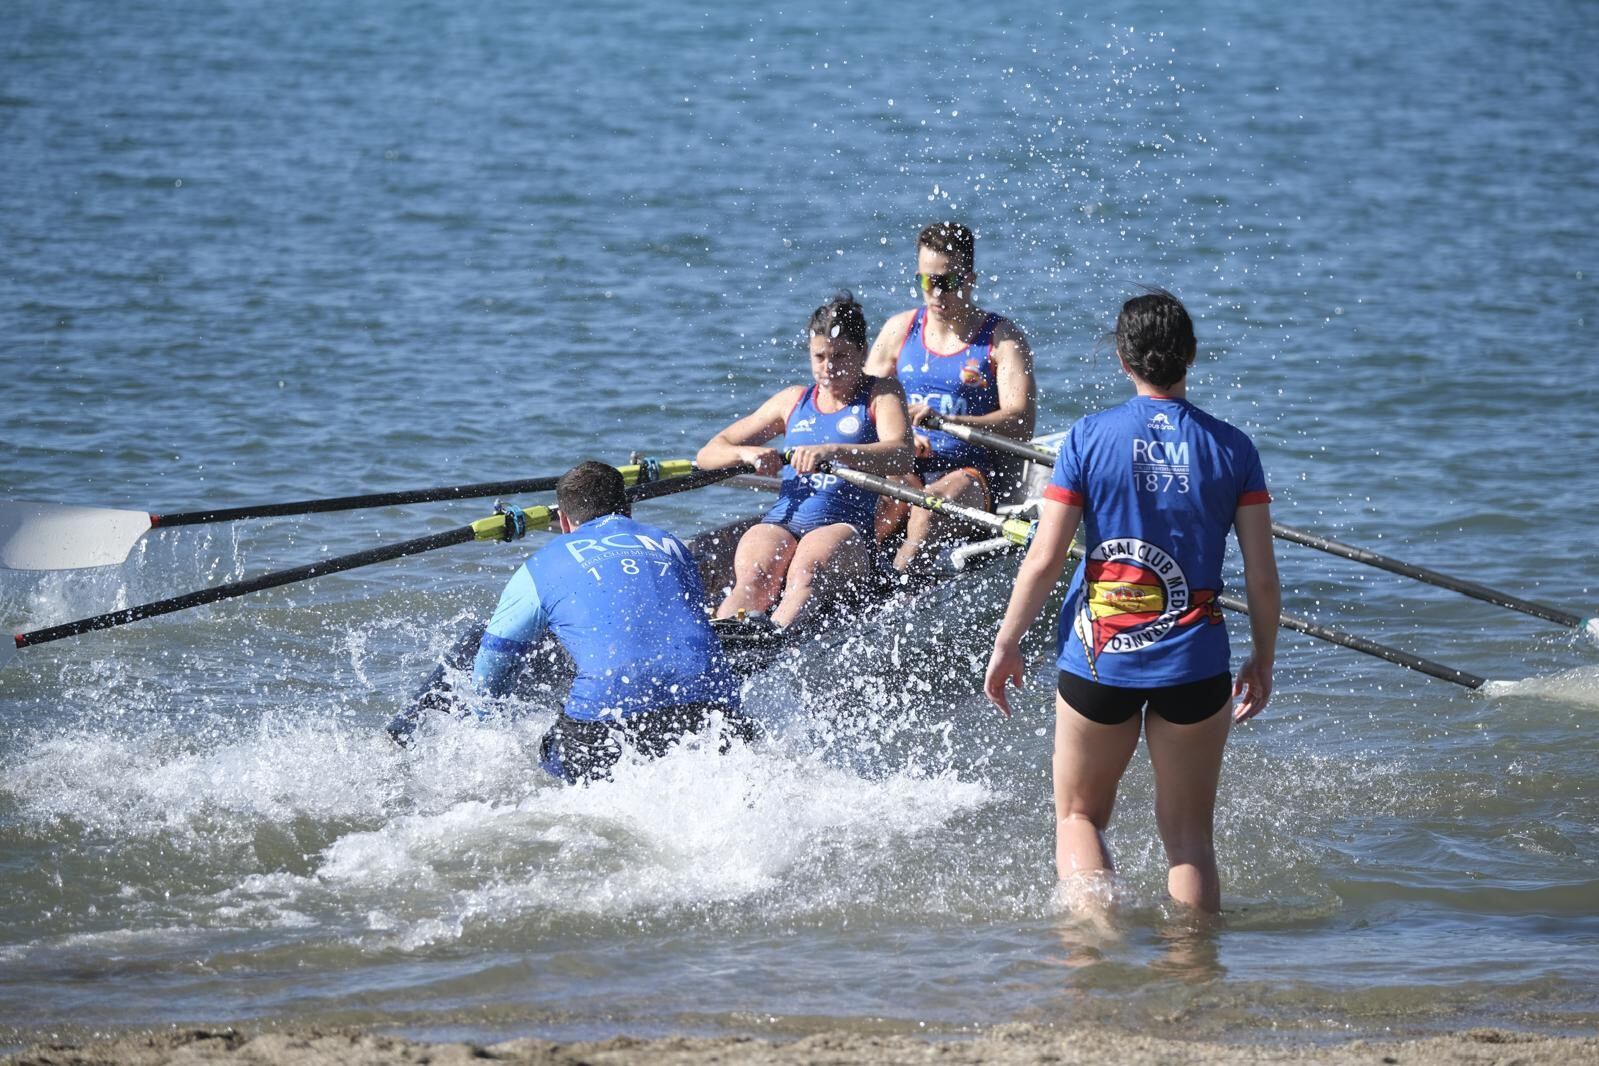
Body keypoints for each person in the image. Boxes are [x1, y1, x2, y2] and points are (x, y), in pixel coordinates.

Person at [983, 290, 1280, 914]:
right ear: (1190, 356)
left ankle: (1097, 952)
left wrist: (1007, 643)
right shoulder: (1233, 448)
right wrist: (1263, 659)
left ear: (1123, 359)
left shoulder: (1089, 438)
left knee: (1079, 817)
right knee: (1190, 840)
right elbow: (1262, 581)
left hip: (1099, 661)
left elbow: (1042, 559)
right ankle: (1194, 976)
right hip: (1196, 664)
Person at [472, 460, 755, 784]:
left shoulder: (539, 564)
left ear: (564, 520)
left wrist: (486, 728)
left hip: (604, 716)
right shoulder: (673, 545)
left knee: (546, 778)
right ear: (627, 508)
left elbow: (493, 660)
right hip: (717, 706)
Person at [696, 291, 913, 629]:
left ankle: (774, 641)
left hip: (844, 527)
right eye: (820, 356)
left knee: (806, 568)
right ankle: (721, 645)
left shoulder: (881, 394)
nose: (828, 368)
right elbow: (709, 454)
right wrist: (746, 453)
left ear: (863, 353)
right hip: (783, 520)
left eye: (840, 356)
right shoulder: (792, 401)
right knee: (754, 575)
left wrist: (835, 452)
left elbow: (901, 454)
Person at [865, 221, 1037, 571]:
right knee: (878, 504)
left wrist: (948, 423)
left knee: (929, 508)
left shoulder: (1001, 339)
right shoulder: (900, 329)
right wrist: (901, 435)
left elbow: (1021, 422)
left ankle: (898, 587)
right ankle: (861, 576)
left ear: (970, 278)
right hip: (905, 467)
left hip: (971, 476)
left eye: (948, 282)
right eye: (927, 281)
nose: (937, 294)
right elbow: (859, 407)